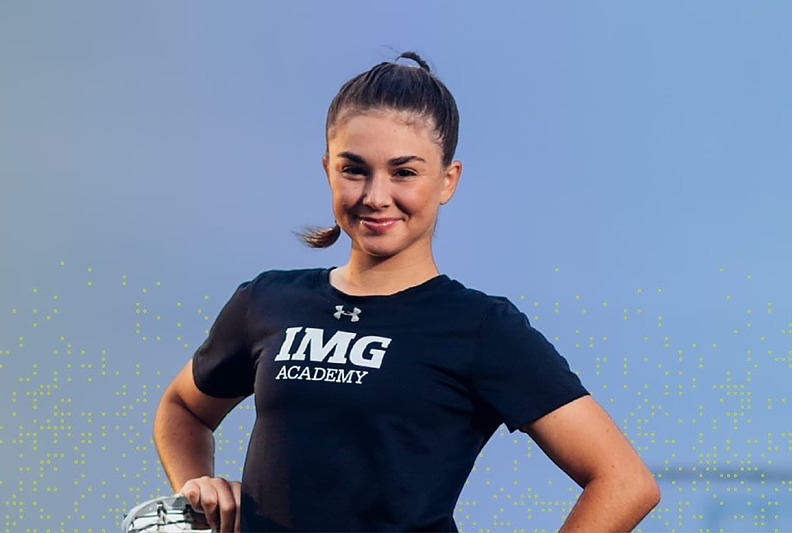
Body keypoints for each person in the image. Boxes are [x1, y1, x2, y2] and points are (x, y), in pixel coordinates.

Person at [153, 52, 660, 532]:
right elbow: (183, 408)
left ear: (447, 180)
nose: (376, 196)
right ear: (327, 169)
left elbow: (625, 482)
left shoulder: (480, 328)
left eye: (404, 172)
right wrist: (195, 489)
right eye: (354, 169)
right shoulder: (265, 301)